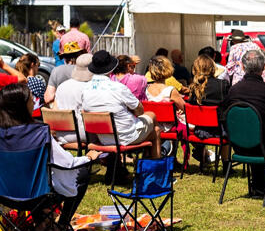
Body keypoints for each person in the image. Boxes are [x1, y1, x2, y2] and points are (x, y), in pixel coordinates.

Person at [0, 82, 100, 231]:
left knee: (33, 177)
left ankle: (41, 226)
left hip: (5, 196)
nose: (34, 101)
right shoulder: (38, 132)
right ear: (21, 105)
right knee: (82, 173)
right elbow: (67, 163)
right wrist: (88, 158)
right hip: (37, 195)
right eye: (30, 98)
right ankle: (60, 227)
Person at [82, 50, 163, 184]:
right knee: (154, 125)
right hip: (125, 136)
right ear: (111, 68)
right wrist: (134, 114)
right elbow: (139, 109)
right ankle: (154, 174)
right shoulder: (118, 88)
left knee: (152, 129)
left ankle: (130, 169)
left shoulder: (86, 90)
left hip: (104, 137)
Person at [221, 49, 265, 199]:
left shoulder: (233, 91)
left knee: (254, 133)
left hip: (239, 146)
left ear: (243, 67)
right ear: (264, 66)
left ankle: (259, 188)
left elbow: (223, 116)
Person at [51, 53, 93, 146]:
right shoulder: (89, 88)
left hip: (61, 135)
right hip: (84, 135)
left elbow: (54, 110)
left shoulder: (62, 86)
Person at [145, 56, 186, 139]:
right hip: (169, 126)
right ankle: (201, 151)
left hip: (153, 125)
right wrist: (179, 109)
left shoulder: (146, 89)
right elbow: (185, 107)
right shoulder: (170, 90)